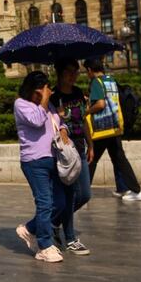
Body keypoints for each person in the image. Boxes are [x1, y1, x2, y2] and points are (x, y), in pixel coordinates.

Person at [13, 71, 69, 263]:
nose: (45, 95)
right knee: (44, 203)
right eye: (42, 92)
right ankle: (44, 246)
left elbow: (57, 122)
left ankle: (29, 228)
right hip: (33, 161)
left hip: (53, 158)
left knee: (60, 202)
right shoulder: (21, 104)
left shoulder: (47, 105)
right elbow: (37, 121)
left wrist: (63, 129)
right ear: (33, 91)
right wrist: (44, 101)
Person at [83, 57, 141, 202]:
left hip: (102, 128)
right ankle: (136, 190)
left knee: (90, 158)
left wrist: (86, 111)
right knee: (119, 159)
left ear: (90, 70)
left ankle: (82, 194)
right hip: (115, 126)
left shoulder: (96, 82)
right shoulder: (110, 80)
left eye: (87, 72)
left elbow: (100, 104)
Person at [49, 59, 92, 255]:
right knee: (69, 195)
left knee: (84, 195)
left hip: (80, 149)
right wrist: (58, 116)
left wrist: (91, 144)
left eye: (76, 71)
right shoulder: (53, 96)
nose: (74, 75)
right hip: (64, 152)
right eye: (69, 71)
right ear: (60, 72)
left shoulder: (77, 93)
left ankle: (53, 221)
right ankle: (71, 237)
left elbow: (84, 121)